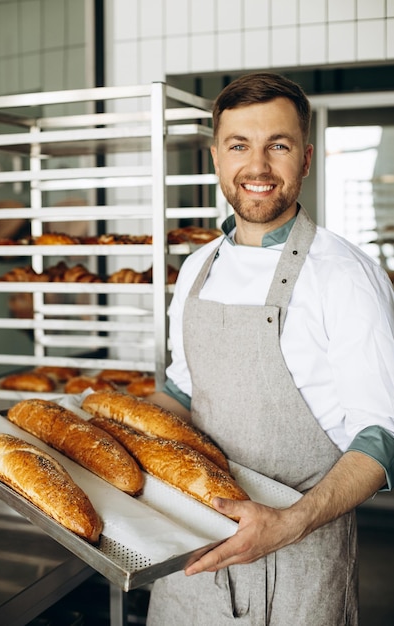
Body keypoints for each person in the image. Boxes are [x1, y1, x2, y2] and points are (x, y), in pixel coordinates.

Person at [145, 72, 394, 625]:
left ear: (305, 158)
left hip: (297, 565)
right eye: (239, 146)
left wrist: (289, 523)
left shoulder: (346, 276)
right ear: (216, 156)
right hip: (191, 556)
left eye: (276, 146)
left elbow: (381, 437)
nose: (257, 167)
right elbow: (185, 391)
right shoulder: (195, 269)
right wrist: (98, 423)